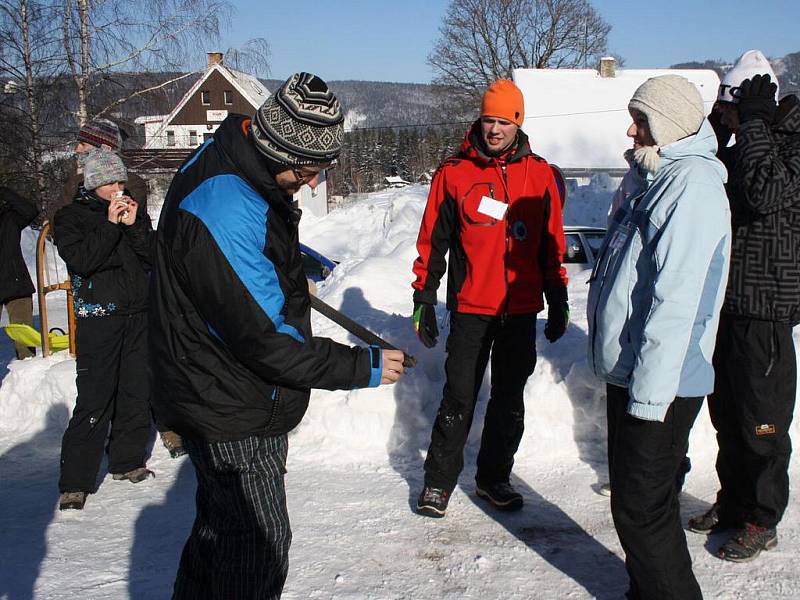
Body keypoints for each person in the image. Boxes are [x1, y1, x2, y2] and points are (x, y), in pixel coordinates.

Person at [149, 72, 405, 599]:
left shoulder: (236, 163)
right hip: (232, 403)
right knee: (256, 545)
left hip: (212, 387)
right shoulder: (228, 208)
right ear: (275, 147)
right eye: (309, 170)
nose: (313, 183)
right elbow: (268, 343)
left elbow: (238, 287)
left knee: (216, 538)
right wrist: (365, 366)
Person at [587, 75, 731, 599]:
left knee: (642, 509)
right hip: (635, 369)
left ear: (667, 125)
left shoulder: (692, 188)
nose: (630, 130)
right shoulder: (654, 177)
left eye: (641, 121)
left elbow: (677, 304)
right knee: (637, 502)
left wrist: (649, 400)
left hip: (662, 381)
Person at [411, 79, 569, 518]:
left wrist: (557, 298)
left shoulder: (540, 175)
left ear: (517, 123)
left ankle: (493, 478)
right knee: (459, 396)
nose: (494, 129)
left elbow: (552, 244)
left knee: (508, 397)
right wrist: (424, 295)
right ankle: (438, 483)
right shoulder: (454, 173)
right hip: (470, 309)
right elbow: (433, 240)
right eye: (488, 119)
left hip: (519, 312)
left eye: (503, 121)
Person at [688, 50, 800, 563]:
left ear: (757, 108)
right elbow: (705, 181)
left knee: (763, 425)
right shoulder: (742, 144)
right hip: (727, 306)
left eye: (732, 110)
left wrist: (751, 125)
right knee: (727, 420)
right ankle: (733, 503)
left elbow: (764, 192)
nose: (728, 119)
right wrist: (710, 132)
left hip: (767, 309)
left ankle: (763, 516)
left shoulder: (790, 146)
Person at [59, 117, 183, 458]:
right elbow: (78, 249)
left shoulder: (132, 188)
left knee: (142, 379)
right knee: (99, 390)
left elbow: (143, 249)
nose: (77, 151)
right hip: (99, 306)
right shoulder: (74, 194)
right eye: (79, 145)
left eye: (85, 146)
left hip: (134, 299)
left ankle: (158, 435)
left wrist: (125, 224)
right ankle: (81, 473)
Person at [54, 150, 155, 511]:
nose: (117, 189)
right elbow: (83, 261)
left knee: (135, 391)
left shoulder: (133, 212)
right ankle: (76, 481)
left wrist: (135, 227)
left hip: (137, 313)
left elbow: (152, 257)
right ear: (93, 184)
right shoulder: (70, 218)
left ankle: (127, 461)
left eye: (121, 181)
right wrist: (110, 227)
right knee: (95, 397)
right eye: (110, 182)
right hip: (99, 317)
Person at [0, 187, 39, 359]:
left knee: (25, 341)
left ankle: (28, 380)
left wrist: (3, 191)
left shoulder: (8, 218)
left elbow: (30, 211)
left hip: (15, 285)